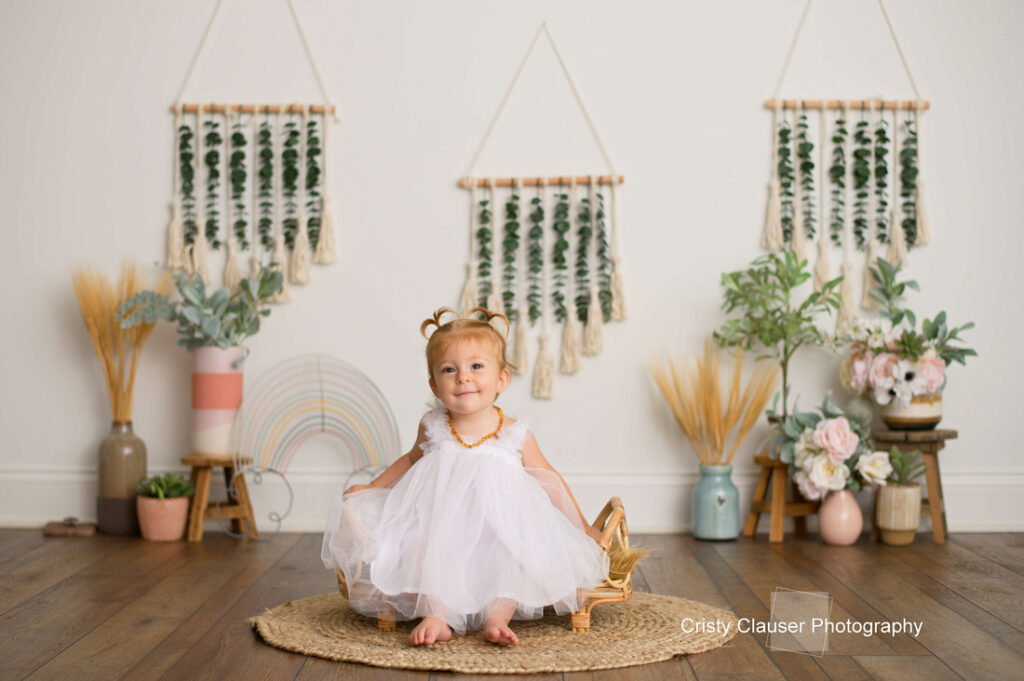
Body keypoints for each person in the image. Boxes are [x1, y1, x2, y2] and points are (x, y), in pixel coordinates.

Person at [321, 307, 607, 646]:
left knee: (514, 553)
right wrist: (372, 487)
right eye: (449, 369)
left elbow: (549, 479)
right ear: (434, 384)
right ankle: (437, 614)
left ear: (501, 379)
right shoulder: (434, 425)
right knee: (419, 547)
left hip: (499, 524)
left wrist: (583, 526)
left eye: (476, 367)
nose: (463, 378)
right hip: (439, 520)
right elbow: (409, 460)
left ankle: (498, 617)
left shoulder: (514, 432)